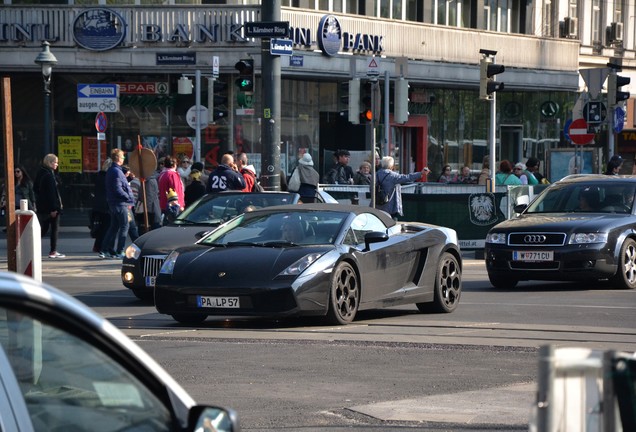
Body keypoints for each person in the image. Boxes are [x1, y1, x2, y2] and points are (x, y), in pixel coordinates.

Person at [100, 149, 135, 259]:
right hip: (120, 203)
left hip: (115, 203)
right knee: (124, 227)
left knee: (114, 227)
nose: (124, 159)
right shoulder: (116, 171)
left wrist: (129, 178)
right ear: (118, 158)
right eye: (123, 157)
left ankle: (105, 250)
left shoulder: (114, 170)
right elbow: (117, 189)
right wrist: (128, 196)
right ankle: (119, 251)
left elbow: (119, 185)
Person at [34, 154, 65, 259]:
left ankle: (30, 246)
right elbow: (51, 194)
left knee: (43, 228)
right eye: (55, 162)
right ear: (50, 162)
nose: (57, 164)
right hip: (51, 207)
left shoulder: (41, 172)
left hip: (42, 206)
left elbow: (36, 189)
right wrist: (54, 208)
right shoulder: (49, 175)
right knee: (54, 229)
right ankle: (53, 251)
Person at [91, 158, 111, 254]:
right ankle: (102, 246)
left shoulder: (99, 175)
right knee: (106, 227)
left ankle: (97, 246)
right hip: (106, 205)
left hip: (98, 204)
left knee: (101, 227)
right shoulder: (108, 177)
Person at [158, 155, 185, 225]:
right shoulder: (172, 175)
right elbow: (174, 191)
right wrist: (179, 205)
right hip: (173, 207)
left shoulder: (162, 174)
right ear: (174, 164)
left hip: (164, 204)